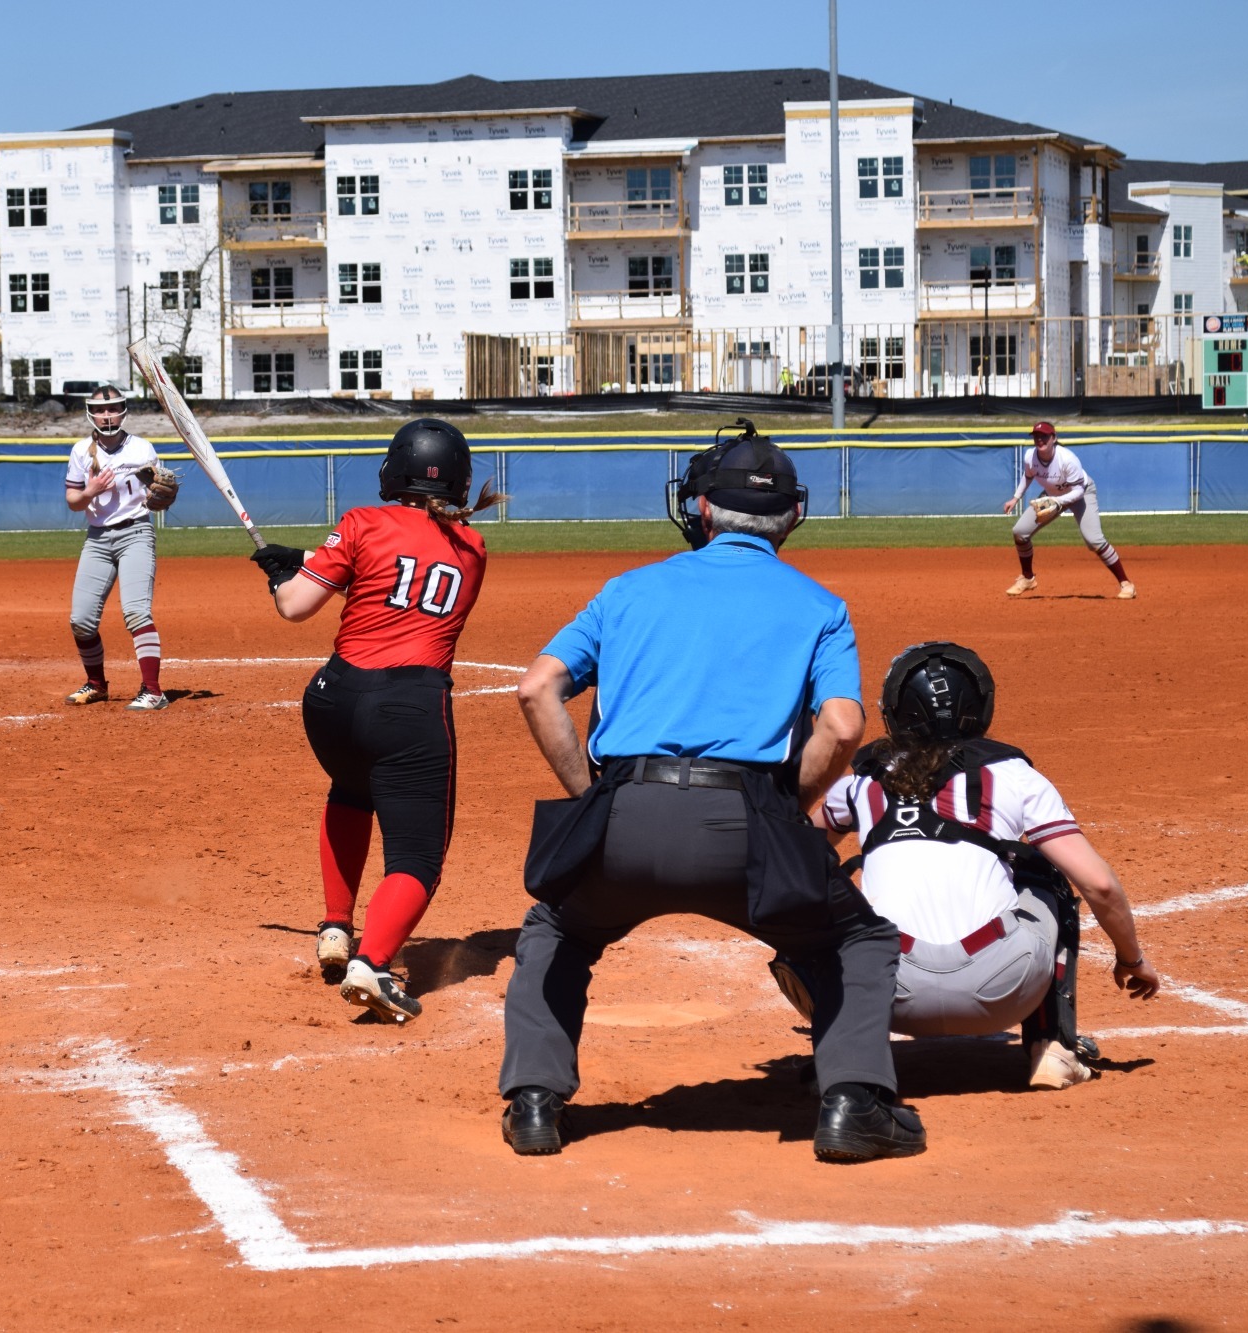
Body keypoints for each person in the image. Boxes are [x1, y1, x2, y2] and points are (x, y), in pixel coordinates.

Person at [500, 420, 923, 1164]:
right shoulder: (819, 605)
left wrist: (592, 799)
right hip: (749, 824)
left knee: (557, 930)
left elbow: (538, 689)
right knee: (855, 936)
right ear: (793, 516)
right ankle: (853, 1102)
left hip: (625, 814)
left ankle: (535, 1101)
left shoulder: (627, 589)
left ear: (700, 510)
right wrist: (786, 808)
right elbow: (844, 724)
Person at [784, 642, 1161, 1089]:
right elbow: (1099, 886)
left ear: (893, 712)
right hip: (1004, 989)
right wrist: (1131, 957)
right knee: (1048, 880)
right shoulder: (1015, 776)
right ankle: (1054, 1049)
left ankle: (841, 1052)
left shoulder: (859, 784)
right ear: (981, 706)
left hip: (885, 995)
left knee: (808, 885)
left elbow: (796, 856)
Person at [249, 419, 496, 1024]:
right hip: (409, 707)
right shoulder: (473, 547)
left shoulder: (360, 522)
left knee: (351, 790)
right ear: (460, 481)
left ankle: (336, 927)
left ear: (393, 471)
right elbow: (405, 574)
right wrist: (311, 560)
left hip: (332, 701)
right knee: (416, 857)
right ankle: (375, 962)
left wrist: (288, 571)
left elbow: (296, 606)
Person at [63, 383, 175, 711]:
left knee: (136, 611)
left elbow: (158, 490)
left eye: (112, 408)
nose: (107, 414)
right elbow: (72, 501)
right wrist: (90, 491)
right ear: (90, 412)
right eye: (100, 409)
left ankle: (153, 691)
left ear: (123, 410)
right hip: (97, 539)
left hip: (135, 534)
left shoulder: (142, 449)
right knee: (81, 620)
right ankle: (97, 685)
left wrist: (162, 496)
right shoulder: (81, 451)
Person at [1003, 422, 1135, 600]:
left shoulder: (1067, 459)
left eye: (1044, 436)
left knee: (1094, 540)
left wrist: (1056, 501)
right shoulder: (1030, 457)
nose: (1039, 440)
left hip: (1081, 494)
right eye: (1036, 436)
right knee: (1019, 532)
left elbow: (1078, 491)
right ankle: (1027, 578)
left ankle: (1126, 584)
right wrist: (1016, 498)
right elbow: (1027, 477)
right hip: (1052, 496)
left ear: (1054, 438)